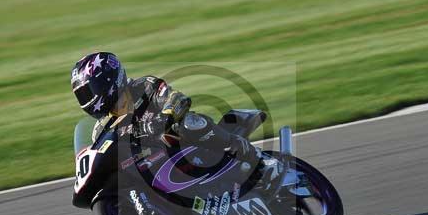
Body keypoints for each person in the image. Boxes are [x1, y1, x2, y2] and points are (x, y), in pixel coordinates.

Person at [70, 52, 280, 185]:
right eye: (82, 95)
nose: (86, 100)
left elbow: (175, 97)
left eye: (88, 92)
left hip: (185, 145)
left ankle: (258, 160)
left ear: (107, 81)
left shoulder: (143, 87)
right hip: (156, 166)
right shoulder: (101, 129)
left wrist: (167, 116)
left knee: (187, 124)